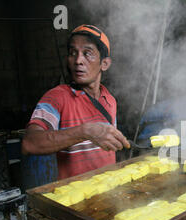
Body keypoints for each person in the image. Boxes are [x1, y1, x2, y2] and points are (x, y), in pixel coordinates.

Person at [22, 24, 130, 180]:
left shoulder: (110, 100)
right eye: (73, 53)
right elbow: (30, 143)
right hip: (74, 200)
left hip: (108, 195)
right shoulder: (56, 98)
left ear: (104, 64)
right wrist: (85, 132)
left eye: (88, 53)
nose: (78, 60)